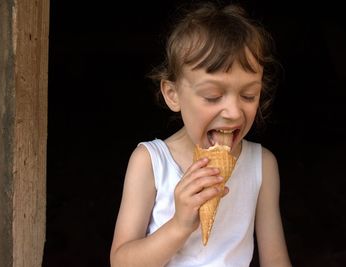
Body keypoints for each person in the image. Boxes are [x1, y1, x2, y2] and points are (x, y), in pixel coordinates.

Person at [110, 1, 292, 266]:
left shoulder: (262, 165)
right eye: (212, 95)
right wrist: (180, 225)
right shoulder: (150, 162)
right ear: (173, 95)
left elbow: (275, 259)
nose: (233, 111)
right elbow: (121, 261)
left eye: (248, 95)